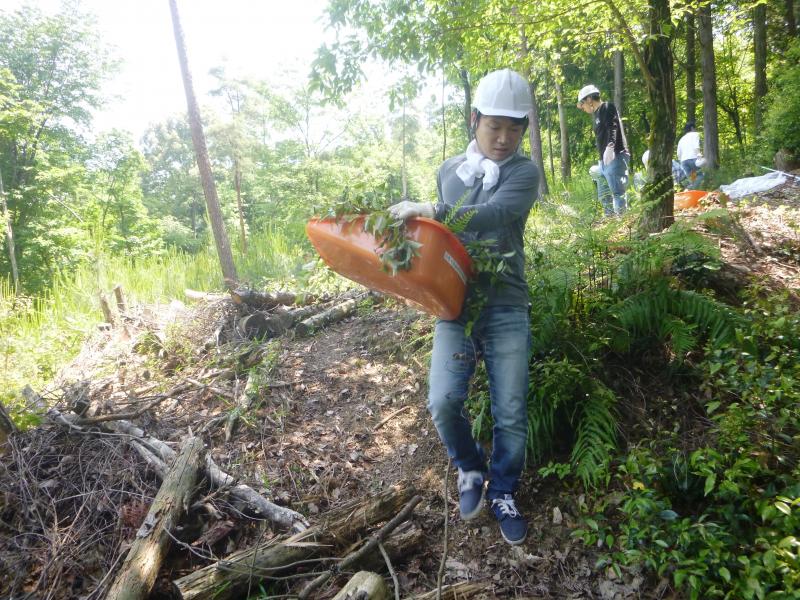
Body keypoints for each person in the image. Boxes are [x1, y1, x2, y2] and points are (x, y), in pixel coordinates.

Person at [387, 68, 539, 546]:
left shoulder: (524, 172)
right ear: (474, 119)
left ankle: (505, 490)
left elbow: (494, 216)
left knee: (510, 410)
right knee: (443, 400)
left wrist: (435, 210)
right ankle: (470, 468)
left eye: (514, 128)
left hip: (508, 306)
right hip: (454, 307)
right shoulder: (449, 172)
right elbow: (438, 243)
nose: (504, 138)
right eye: (494, 126)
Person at [576, 84, 630, 216]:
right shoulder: (596, 114)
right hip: (604, 161)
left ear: (589, 99)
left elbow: (613, 126)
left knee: (618, 192)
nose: (582, 108)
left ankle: (621, 222)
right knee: (604, 194)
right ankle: (610, 221)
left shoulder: (607, 107)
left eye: (582, 104)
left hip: (616, 155)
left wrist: (610, 146)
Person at [676, 122, 705, 190]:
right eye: (695, 128)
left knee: (693, 179)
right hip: (693, 159)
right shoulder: (695, 134)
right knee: (700, 176)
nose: (696, 130)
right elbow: (696, 146)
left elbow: (678, 153)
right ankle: (690, 189)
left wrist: (681, 162)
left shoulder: (681, 139)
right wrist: (699, 157)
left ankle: (691, 192)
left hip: (684, 162)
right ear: (692, 128)